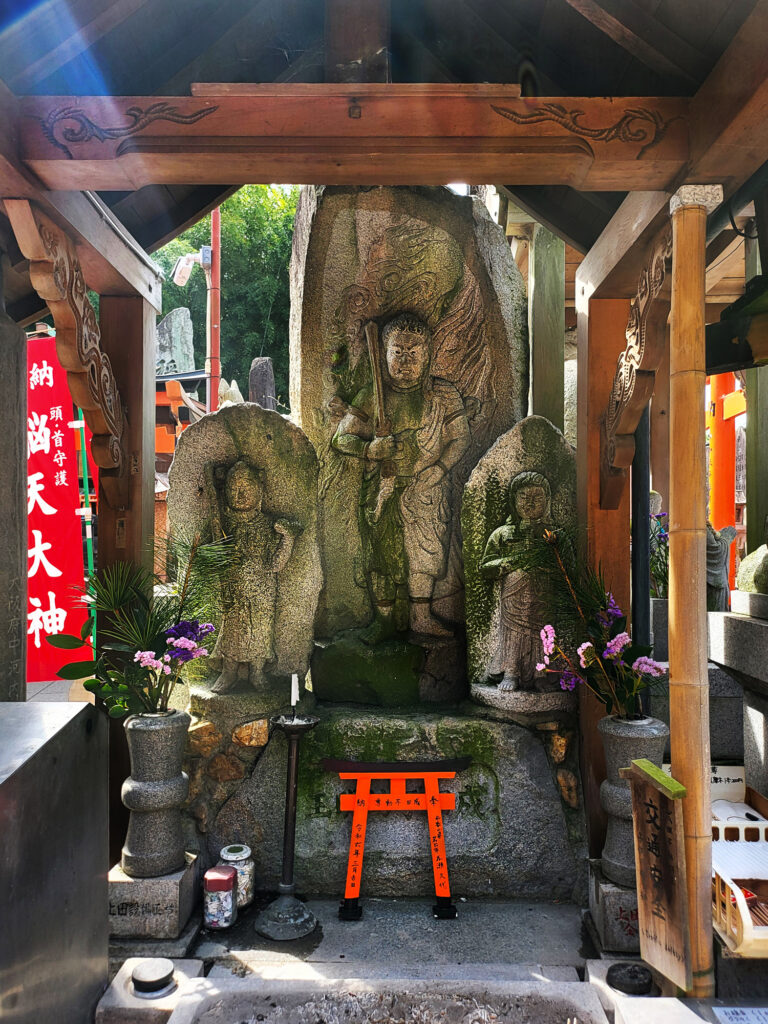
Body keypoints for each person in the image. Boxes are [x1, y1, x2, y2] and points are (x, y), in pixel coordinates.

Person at [332, 313, 470, 642]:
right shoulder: (372, 395)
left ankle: (421, 616)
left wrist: (438, 469)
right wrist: (370, 450)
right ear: (385, 353)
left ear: (428, 354)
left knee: (425, 555)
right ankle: (383, 620)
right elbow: (340, 438)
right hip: (385, 488)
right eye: (397, 352)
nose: (405, 361)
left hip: (426, 488)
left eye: (413, 353)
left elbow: (460, 438)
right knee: (381, 554)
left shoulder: (443, 394)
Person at [204, 460, 301, 692]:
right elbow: (209, 559)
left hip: (262, 590)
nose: (240, 493)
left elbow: (275, 565)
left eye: (246, 487)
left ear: (259, 490)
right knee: (232, 629)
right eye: (233, 488)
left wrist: (288, 539)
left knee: (259, 629)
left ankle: (257, 673)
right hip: (233, 588)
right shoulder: (222, 524)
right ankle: (229, 672)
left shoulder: (268, 525)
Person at [480, 471, 553, 692]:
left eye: (537, 498)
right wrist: (512, 562)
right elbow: (486, 568)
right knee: (513, 633)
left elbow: (567, 566)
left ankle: (541, 675)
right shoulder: (502, 534)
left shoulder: (552, 534)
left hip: (543, 597)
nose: (530, 503)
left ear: (547, 501)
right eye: (523, 497)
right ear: (513, 500)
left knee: (542, 634)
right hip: (513, 599)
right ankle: (511, 671)